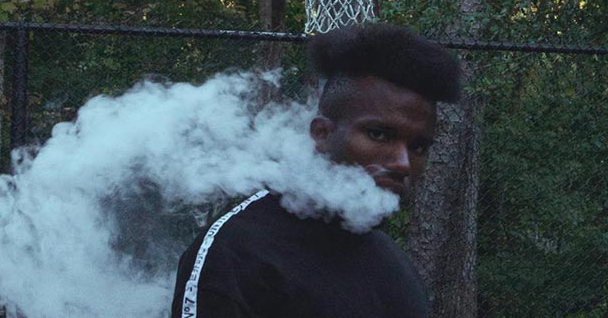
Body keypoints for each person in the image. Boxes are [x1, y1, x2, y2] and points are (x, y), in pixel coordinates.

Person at [170, 24, 461, 318]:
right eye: (379, 134)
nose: (403, 163)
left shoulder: (394, 265)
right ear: (321, 133)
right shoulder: (237, 252)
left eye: (419, 147)